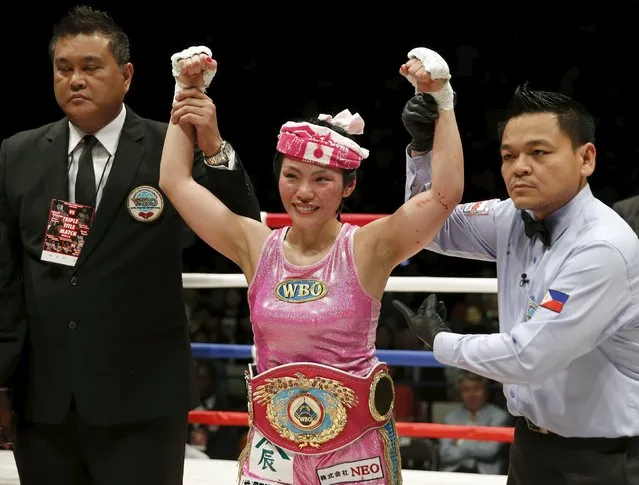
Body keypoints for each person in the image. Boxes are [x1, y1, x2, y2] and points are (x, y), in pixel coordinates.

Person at [159, 46, 464, 484]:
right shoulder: (255, 246)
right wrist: (185, 91)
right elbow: (175, 180)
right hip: (273, 453)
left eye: (321, 179)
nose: (304, 192)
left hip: (354, 456)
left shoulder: (367, 249)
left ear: (347, 187)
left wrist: (442, 100)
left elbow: (443, 196)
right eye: (291, 176)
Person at [0, 5, 261, 485]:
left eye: (90, 67)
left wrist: (213, 145)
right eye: (64, 69)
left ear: (126, 75)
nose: (75, 80)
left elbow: (246, 231)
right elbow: (5, 275)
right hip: (43, 398)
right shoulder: (18, 153)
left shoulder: (171, 147)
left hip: (142, 397)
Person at [394, 84, 639, 484]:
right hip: (529, 446)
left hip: (604, 458)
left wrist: (441, 340)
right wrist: (424, 150)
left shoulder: (603, 247)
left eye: (538, 153)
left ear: (586, 158)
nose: (519, 167)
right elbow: (430, 228)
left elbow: (530, 357)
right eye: (509, 156)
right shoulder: (512, 215)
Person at [438, 371, 510, 475]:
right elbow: (444, 454)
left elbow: (489, 451)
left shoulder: (499, 416)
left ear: (485, 391)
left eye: (476, 389)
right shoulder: (450, 418)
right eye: (466, 390)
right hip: (453, 473)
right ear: (460, 393)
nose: (472, 394)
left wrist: (460, 443)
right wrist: (478, 443)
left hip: (484, 475)